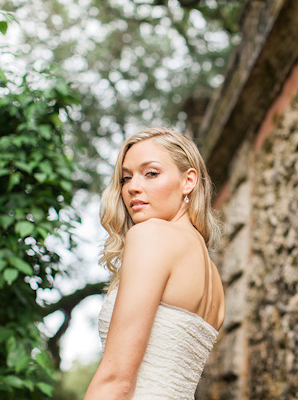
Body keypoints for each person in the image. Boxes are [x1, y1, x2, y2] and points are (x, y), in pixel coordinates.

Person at [84, 127, 225, 400]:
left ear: (189, 181)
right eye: (126, 178)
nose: (133, 187)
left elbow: (117, 380)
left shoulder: (151, 235)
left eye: (151, 173)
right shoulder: (212, 276)